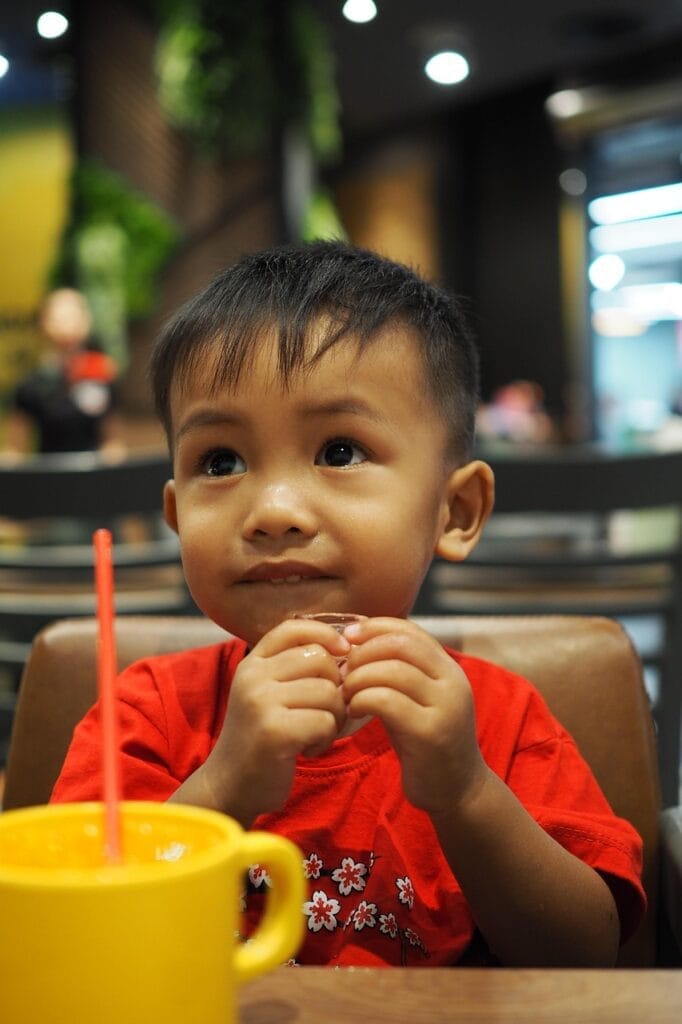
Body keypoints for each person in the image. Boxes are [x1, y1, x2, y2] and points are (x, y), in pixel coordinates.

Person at [51, 241, 645, 967]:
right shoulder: (146, 716)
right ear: (176, 517)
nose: (272, 510)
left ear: (455, 510)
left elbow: (586, 958)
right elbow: (83, 941)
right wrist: (226, 784)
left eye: (339, 451)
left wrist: (465, 792)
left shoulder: (501, 722)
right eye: (221, 462)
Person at [4, 287, 122, 457]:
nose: (68, 323)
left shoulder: (102, 373)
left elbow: (112, 440)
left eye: (76, 314)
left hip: (93, 475)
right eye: (60, 316)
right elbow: (15, 449)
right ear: (44, 323)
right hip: (48, 475)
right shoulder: (30, 384)